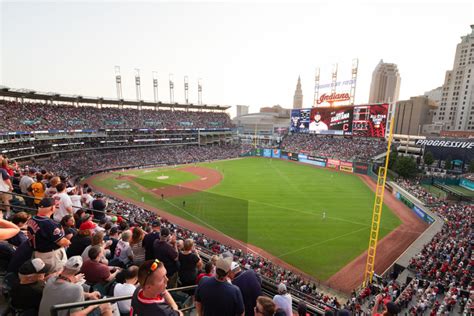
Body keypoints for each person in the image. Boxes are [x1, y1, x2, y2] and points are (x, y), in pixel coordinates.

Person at [39, 256, 112, 316]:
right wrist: (93, 306)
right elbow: (75, 315)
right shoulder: (76, 289)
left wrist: (89, 295)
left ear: (64, 267)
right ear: (77, 271)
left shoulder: (50, 280)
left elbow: (66, 291)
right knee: (106, 306)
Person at [26, 197, 70, 273]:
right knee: (54, 275)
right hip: (50, 256)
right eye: (56, 206)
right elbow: (63, 242)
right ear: (52, 208)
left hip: (37, 253)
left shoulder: (32, 218)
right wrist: (68, 241)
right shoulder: (49, 224)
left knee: (43, 274)